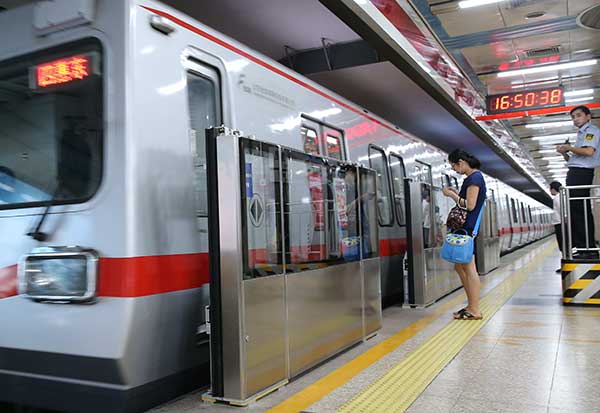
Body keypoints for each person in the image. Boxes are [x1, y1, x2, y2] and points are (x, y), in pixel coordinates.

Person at [442, 149, 486, 320]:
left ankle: (475, 309)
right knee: (460, 266)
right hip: (464, 228)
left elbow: (470, 205)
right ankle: (470, 304)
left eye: (453, 166)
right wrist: (457, 192)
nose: (454, 170)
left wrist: (452, 195)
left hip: (467, 229)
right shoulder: (472, 178)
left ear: (460, 162)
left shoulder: (475, 178)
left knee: (468, 267)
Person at [556, 105, 600, 258]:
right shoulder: (581, 134)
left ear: (588, 116)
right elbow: (574, 160)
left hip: (581, 174)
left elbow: (588, 152)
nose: (575, 119)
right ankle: (583, 248)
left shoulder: (591, 131)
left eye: (578, 115)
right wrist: (565, 153)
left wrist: (569, 147)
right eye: (573, 117)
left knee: (581, 211)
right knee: (577, 211)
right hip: (576, 172)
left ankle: (587, 248)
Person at [550, 181, 563, 273]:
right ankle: (564, 265)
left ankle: (564, 265)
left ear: (553, 189)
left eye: (550, 188)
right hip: (561, 223)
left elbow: (562, 211)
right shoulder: (560, 197)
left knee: (562, 246)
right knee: (563, 246)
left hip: (560, 224)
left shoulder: (557, 199)